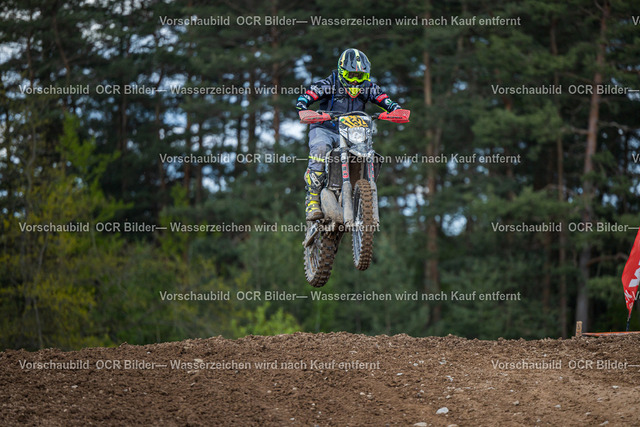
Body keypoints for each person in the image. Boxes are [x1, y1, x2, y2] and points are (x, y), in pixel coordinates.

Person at [296, 48, 403, 221]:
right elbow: (309, 95)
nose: (354, 80)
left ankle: (361, 194)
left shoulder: (368, 88)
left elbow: (384, 99)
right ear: (341, 71)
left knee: (368, 153)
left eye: (359, 76)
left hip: (352, 132)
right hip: (325, 128)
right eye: (351, 75)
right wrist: (303, 106)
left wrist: (395, 109)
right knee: (321, 148)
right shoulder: (329, 83)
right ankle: (313, 200)